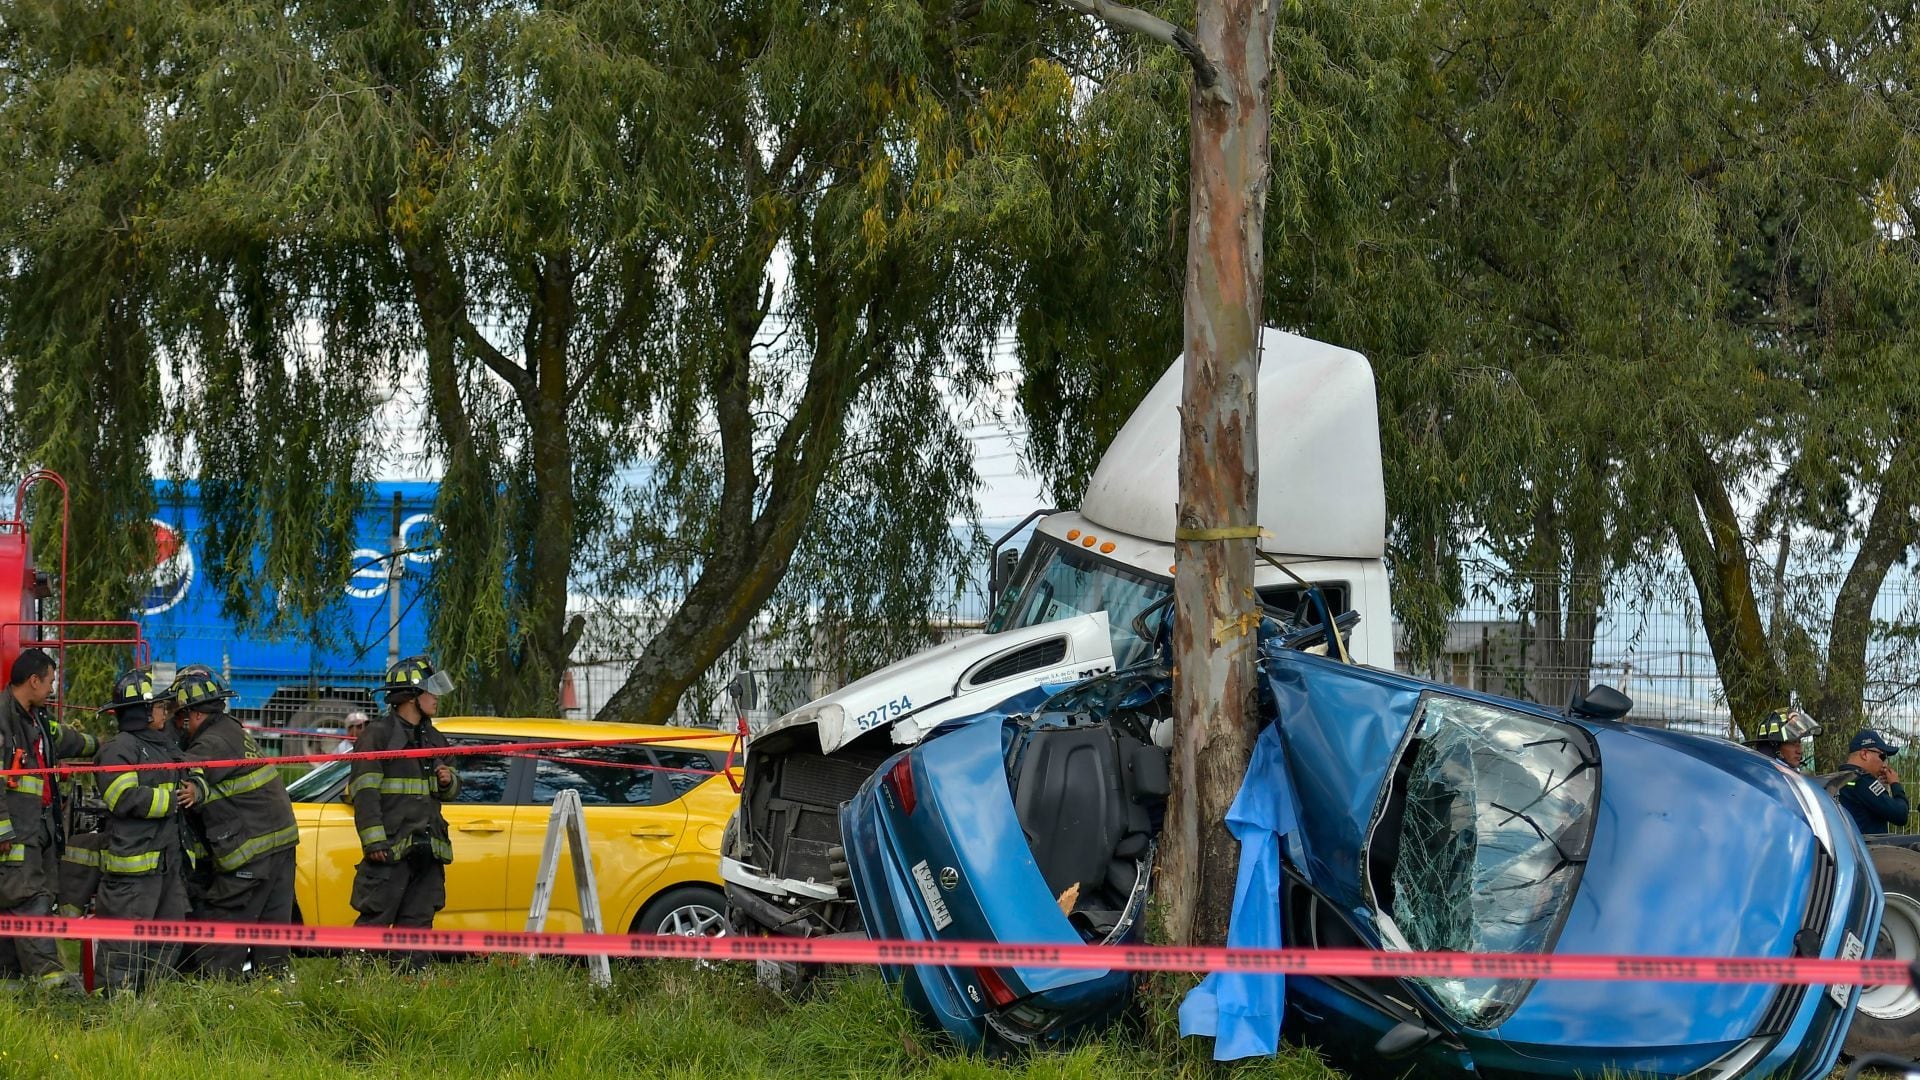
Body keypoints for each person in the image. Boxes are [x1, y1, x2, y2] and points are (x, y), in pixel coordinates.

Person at [170, 664, 299, 979]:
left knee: (226, 927)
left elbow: (192, 773)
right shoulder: (232, 730)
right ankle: (273, 992)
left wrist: (193, 789)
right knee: (272, 933)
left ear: (193, 714)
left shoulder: (211, 742)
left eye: (177, 715)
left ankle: (217, 1000)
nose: (175, 723)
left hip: (251, 851)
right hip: (280, 844)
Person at [349, 655, 458, 968]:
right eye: (430, 690)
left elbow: (449, 790)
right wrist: (373, 842)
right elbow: (364, 791)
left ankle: (410, 985)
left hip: (428, 848)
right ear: (411, 696)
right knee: (375, 921)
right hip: (391, 849)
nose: (436, 697)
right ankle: (357, 984)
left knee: (419, 924)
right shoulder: (378, 737)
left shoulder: (435, 738)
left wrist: (448, 781)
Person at [0, 648, 97, 991]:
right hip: (14, 833)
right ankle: (54, 986)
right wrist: (3, 832)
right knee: (29, 899)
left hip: (38, 829)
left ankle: (10, 986)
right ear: (34, 680)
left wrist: (105, 747)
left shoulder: (37, 719)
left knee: (16, 902)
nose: (53, 688)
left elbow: (67, 740)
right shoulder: (2, 719)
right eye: (51, 681)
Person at [94, 666, 193, 991]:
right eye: (160, 706)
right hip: (133, 873)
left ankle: (150, 1006)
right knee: (124, 947)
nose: (165, 712)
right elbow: (121, 796)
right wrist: (171, 800)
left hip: (167, 866)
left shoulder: (162, 746)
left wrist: (193, 789)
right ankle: (116, 1011)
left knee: (167, 938)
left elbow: (188, 774)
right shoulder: (118, 748)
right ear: (144, 711)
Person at [1837, 728, 1910, 835]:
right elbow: (1900, 815)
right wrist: (1896, 785)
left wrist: (1881, 787)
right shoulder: (1862, 780)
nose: (1884, 764)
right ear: (1864, 754)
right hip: (1869, 849)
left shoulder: (1840, 779)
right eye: (1882, 756)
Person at [1743, 707, 1820, 770]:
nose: (1799, 751)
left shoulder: (1791, 778)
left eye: (1799, 742)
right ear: (1774, 746)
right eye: (1792, 743)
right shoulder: (1765, 780)